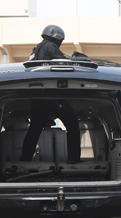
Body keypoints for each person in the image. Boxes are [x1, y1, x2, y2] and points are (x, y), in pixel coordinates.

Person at [21, 26, 81, 163]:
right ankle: (74, 159)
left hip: (38, 98)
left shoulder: (37, 49)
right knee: (72, 124)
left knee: (34, 130)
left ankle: (24, 160)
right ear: (58, 38)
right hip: (52, 95)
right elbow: (64, 64)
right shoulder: (50, 46)